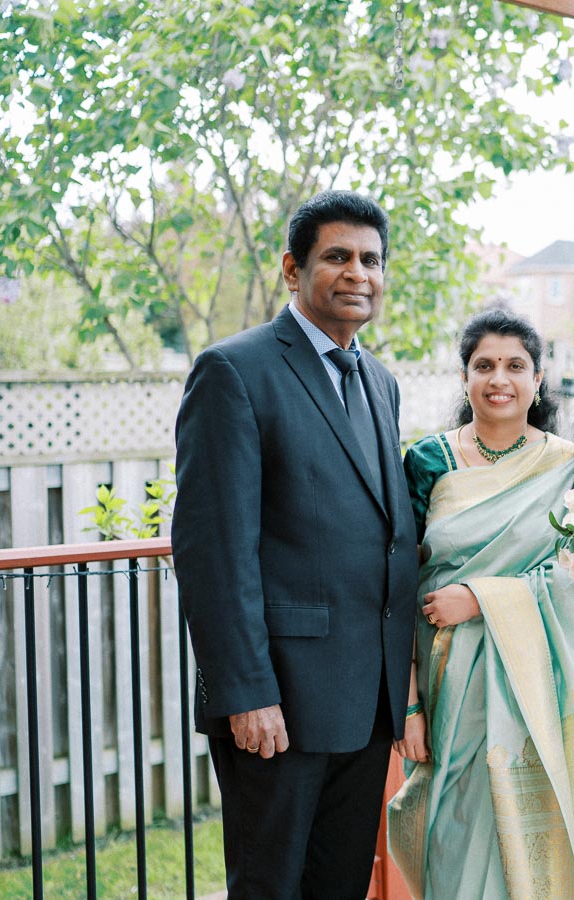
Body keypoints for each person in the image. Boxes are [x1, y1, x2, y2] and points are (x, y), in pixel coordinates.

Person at [172, 190, 418, 898]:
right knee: (269, 886)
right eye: (337, 257)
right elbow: (212, 550)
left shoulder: (379, 381)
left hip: (364, 703)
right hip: (277, 703)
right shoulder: (234, 371)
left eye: (371, 259)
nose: (357, 273)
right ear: (292, 268)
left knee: (339, 885)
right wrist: (245, 691)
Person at [386, 308, 574, 900]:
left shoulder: (570, 466)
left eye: (516, 366)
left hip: (535, 680)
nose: (499, 379)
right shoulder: (428, 460)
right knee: (451, 826)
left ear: (538, 379)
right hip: (442, 676)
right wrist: (407, 702)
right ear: (464, 378)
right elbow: (397, 586)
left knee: (521, 826)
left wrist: (484, 598)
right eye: (483, 365)